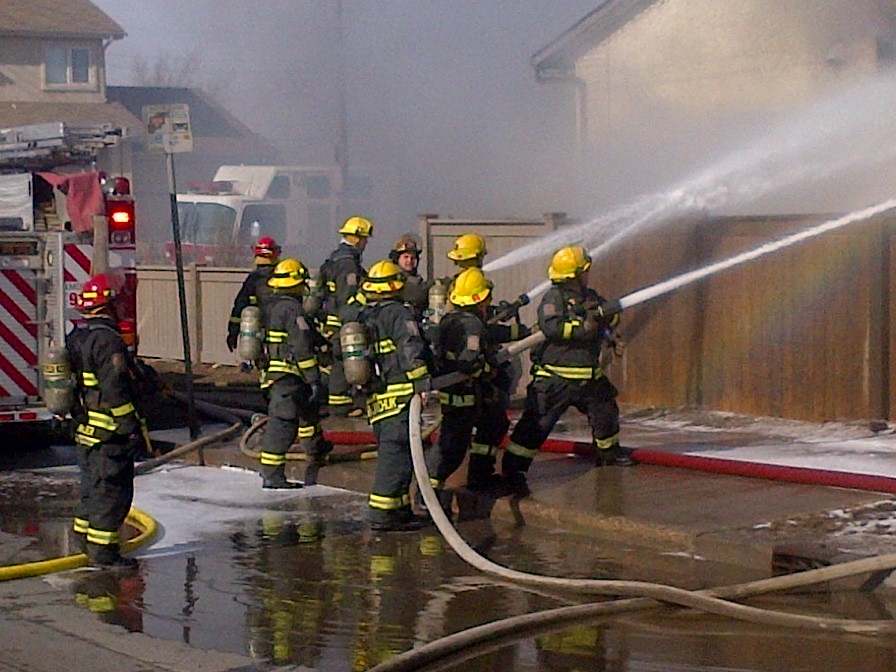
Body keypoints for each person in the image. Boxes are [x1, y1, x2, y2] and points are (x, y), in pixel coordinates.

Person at [500, 246, 635, 497]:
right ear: (575, 274)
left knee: (605, 410)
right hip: (555, 379)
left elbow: (607, 319)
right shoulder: (554, 298)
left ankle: (607, 453)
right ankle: (513, 470)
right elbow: (551, 328)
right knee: (537, 425)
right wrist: (584, 325)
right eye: (585, 271)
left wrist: (610, 321)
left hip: (588, 376)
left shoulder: (590, 296)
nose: (588, 275)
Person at [66, 273, 143, 570]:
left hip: (86, 430)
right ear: (108, 305)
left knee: (92, 487)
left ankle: (85, 540)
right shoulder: (107, 341)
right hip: (109, 432)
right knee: (111, 493)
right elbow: (116, 389)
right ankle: (104, 553)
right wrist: (130, 428)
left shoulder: (77, 336)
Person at [421, 268, 505, 515]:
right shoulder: (472, 325)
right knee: (452, 447)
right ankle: (428, 494)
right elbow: (470, 360)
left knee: (495, 422)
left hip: (469, 392)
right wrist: (486, 367)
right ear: (479, 299)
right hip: (464, 392)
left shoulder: (451, 318)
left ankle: (480, 473)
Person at [358, 260, 432, 531]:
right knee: (396, 455)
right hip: (399, 394)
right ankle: (381, 514)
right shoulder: (399, 314)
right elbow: (410, 347)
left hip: (378, 396)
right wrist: (422, 382)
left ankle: (399, 510)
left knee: (400, 455)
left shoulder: (366, 314)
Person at [258, 258, 331, 489]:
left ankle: (315, 447)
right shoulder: (291, 309)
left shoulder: (271, 305)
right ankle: (272, 475)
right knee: (284, 423)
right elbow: (301, 346)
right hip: (288, 376)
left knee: (307, 411)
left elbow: (307, 332)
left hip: (275, 373)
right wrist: (314, 378)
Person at [319, 216, 373, 416]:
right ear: (358, 239)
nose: (366, 244)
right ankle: (341, 406)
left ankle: (341, 402)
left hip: (332, 319)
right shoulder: (348, 263)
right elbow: (348, 297)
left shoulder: (335, 257)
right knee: (344, 359)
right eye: (365, 239)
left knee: (338, 361)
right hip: (342, 320)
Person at [226, 236, 281, 353]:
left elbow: (239, 305)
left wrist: (233, 332)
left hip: (260, 330)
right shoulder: (284, 277)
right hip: (283, 330)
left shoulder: (253, 279)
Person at [389, 233, 431, 319]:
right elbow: (417, 294)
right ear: (397, 258)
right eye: (406, 257)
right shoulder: (393, 276)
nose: (409, 261)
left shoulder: (415, 278)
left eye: (413, 258)